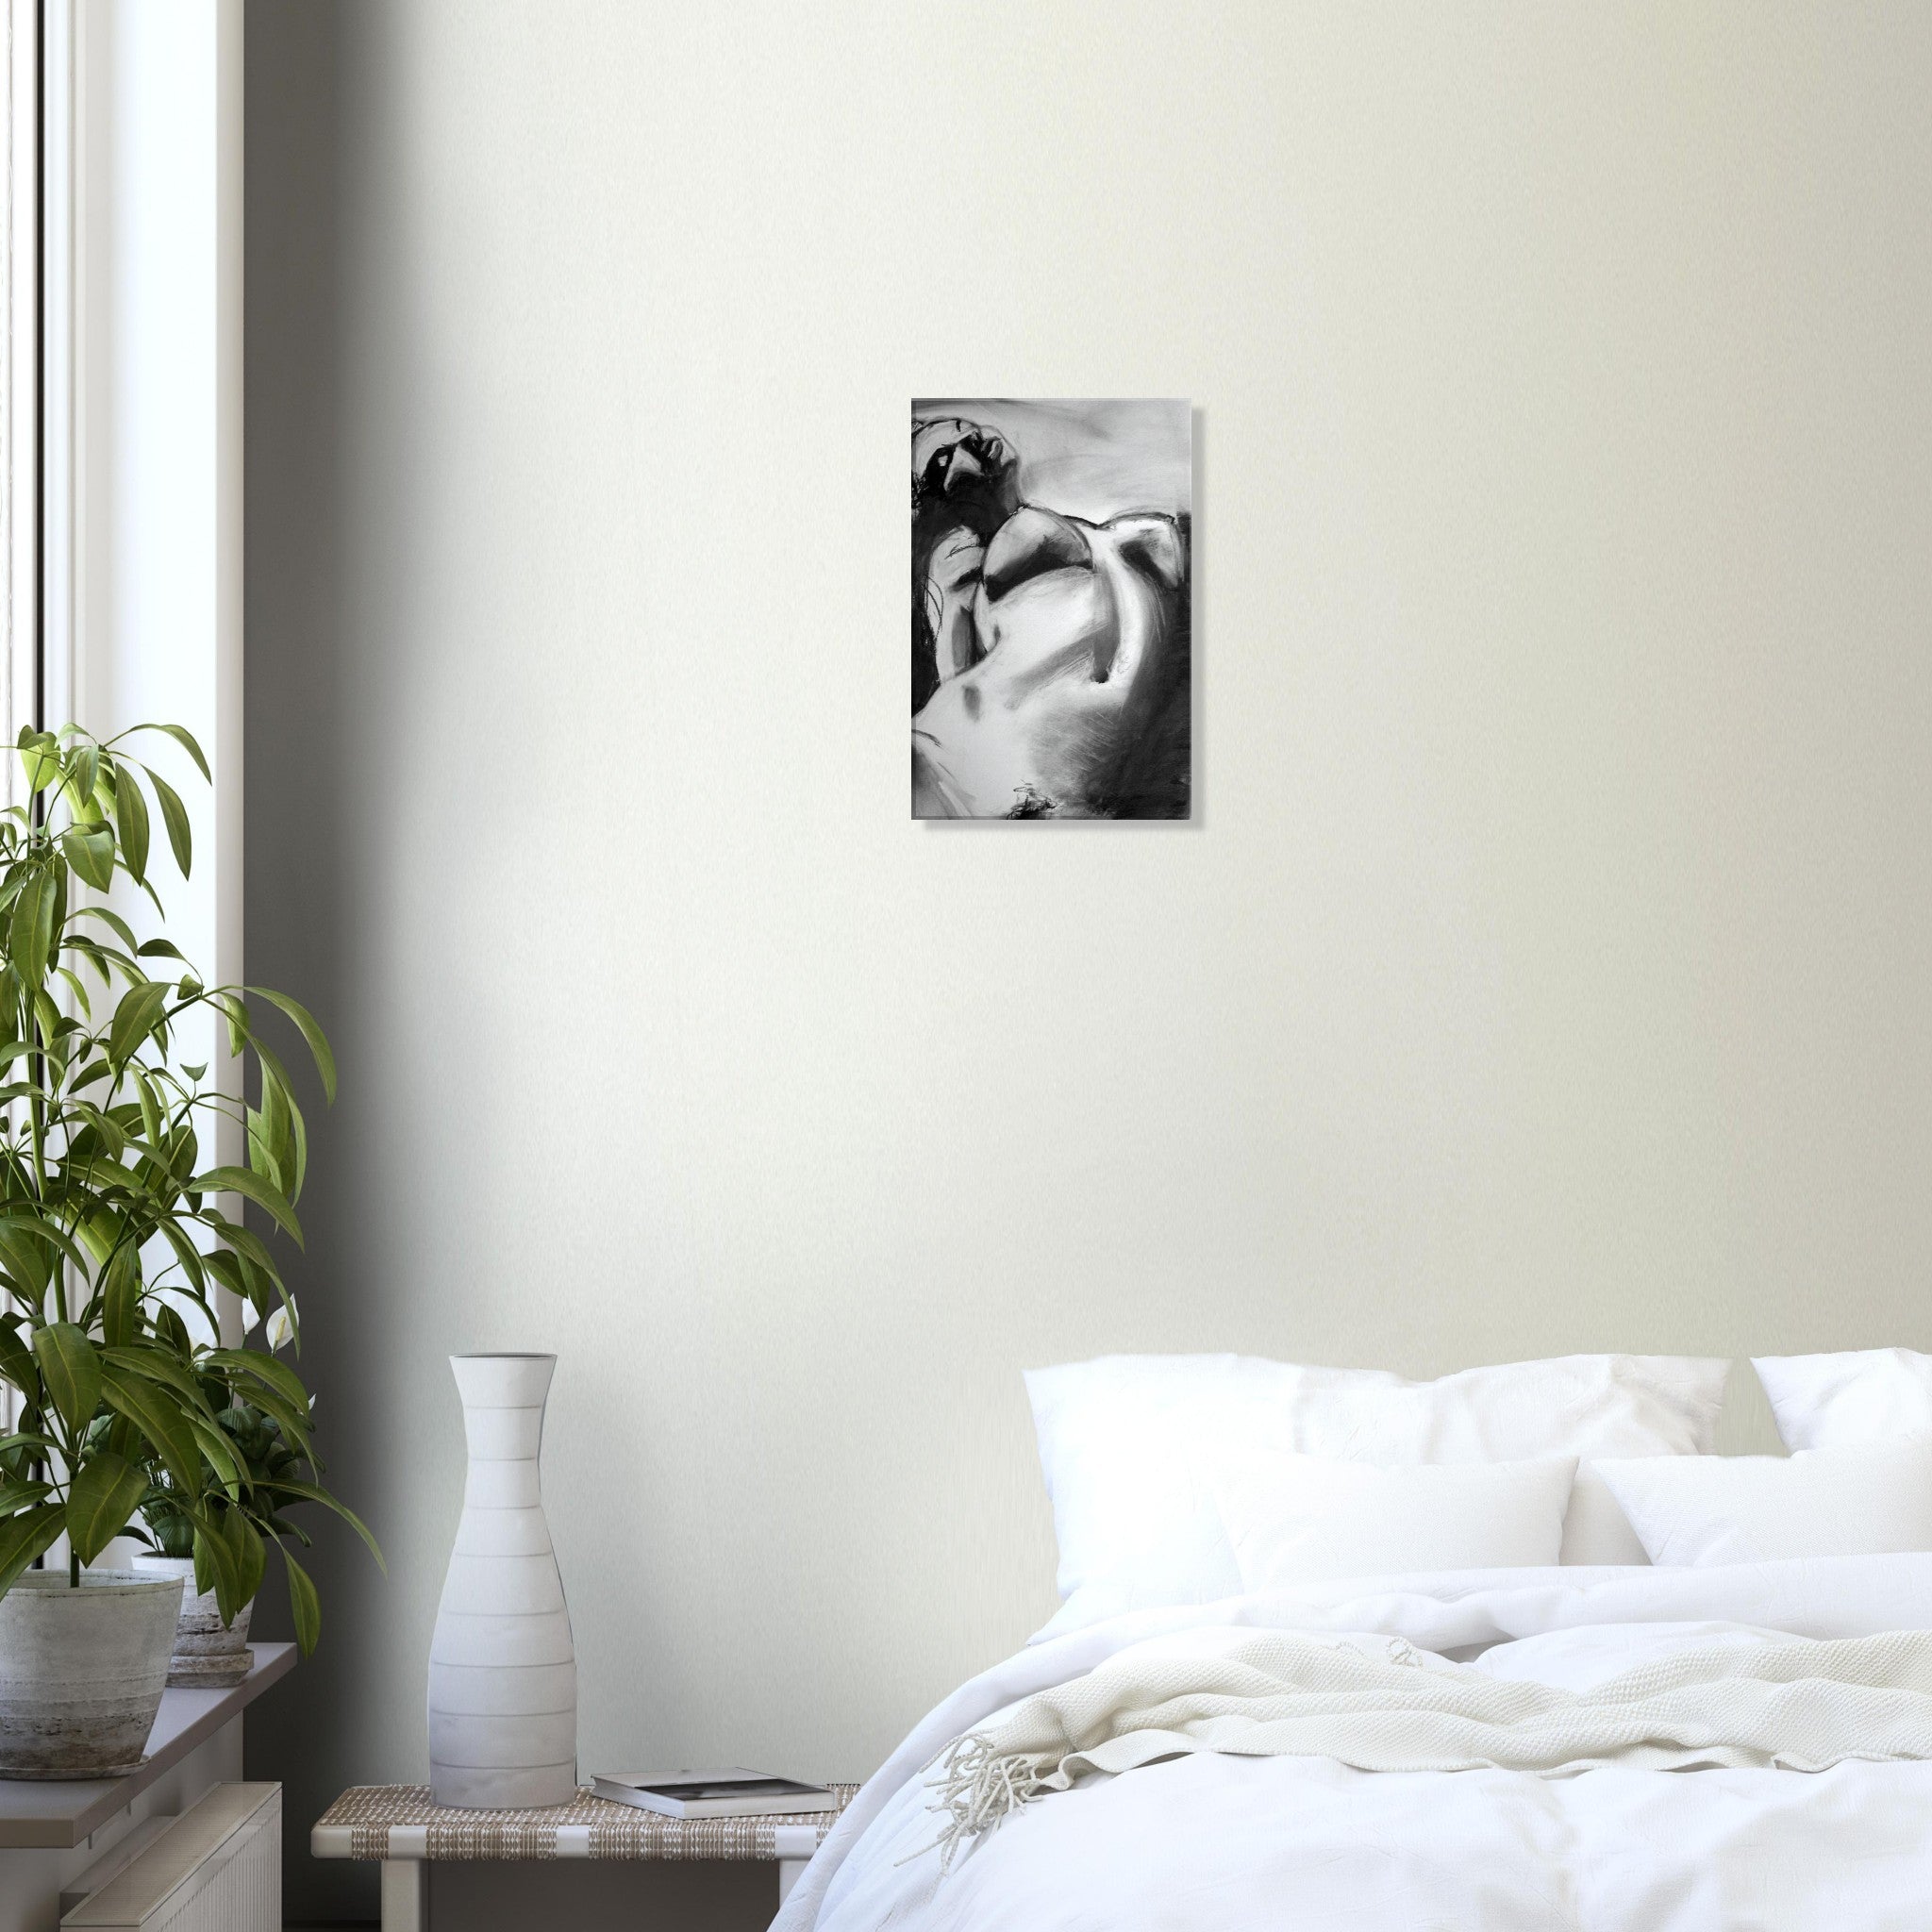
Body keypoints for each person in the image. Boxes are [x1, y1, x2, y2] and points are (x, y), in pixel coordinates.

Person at [911, 416, 1191, 819]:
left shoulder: (1021, 530)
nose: (969, 440)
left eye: (961, 427)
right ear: (932, 502)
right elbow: (955, 666)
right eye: (942, 460)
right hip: (1021, 749)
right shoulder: (958, 553)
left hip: (1068, 746)